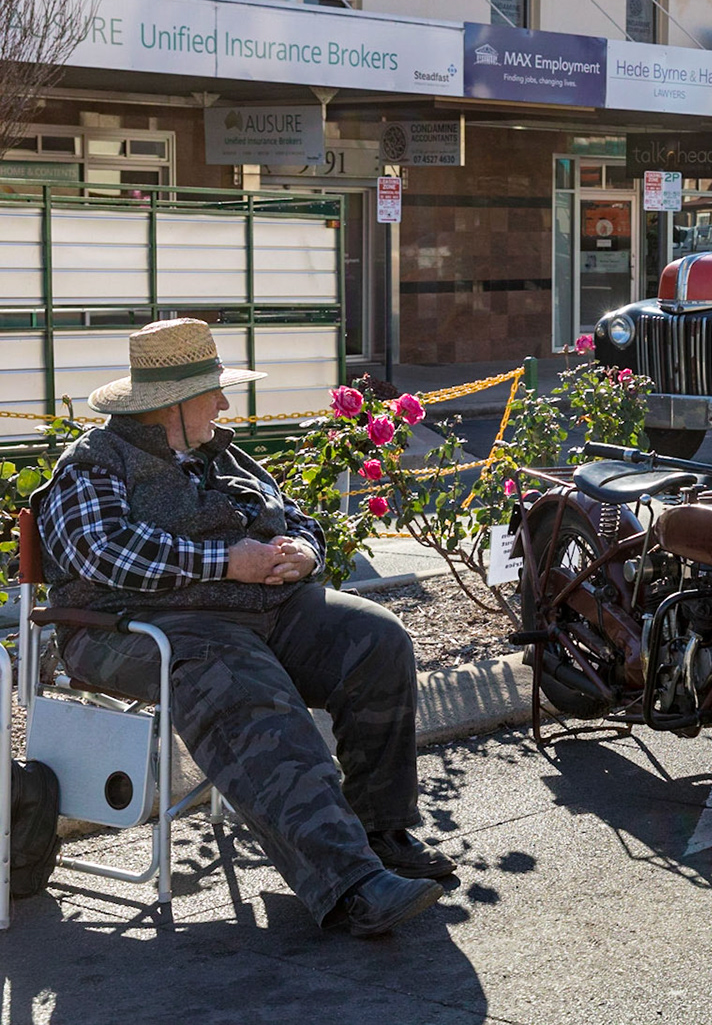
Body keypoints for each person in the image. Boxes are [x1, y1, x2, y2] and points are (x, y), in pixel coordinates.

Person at [32, 319, 452, 936]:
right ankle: (349, 883)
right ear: (170, 405)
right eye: (214, 392)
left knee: (376, 640)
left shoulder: (219, 452)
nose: (226, 403)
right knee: (241, 682)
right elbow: (103, 551)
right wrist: (226, 561)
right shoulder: (95, 463)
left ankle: (379, 832)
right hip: (128, 626)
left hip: (255, 608)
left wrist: (304, 553)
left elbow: (298, 517)